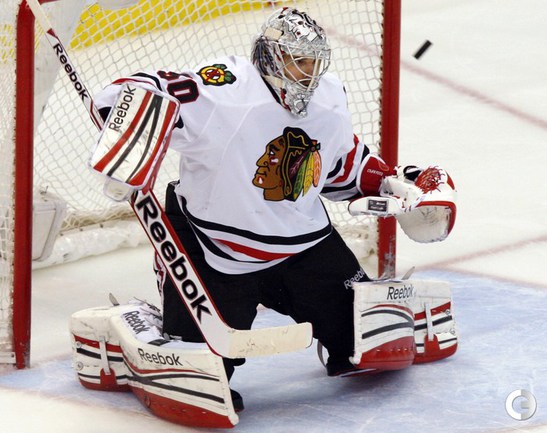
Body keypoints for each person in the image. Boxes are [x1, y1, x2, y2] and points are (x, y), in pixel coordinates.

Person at [94, 7, 449, 410]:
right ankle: (140, 326)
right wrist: (130, 127)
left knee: (372, 342)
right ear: (270, 57)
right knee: (202, 379)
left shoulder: (329, 98)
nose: (308, 74)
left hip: (302, 247)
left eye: (314, 62)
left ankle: (334, 331)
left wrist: (392, 183)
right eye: (298, 61)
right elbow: (134, 93)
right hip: (213, 248)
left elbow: (340, 168)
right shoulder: (224, 91)